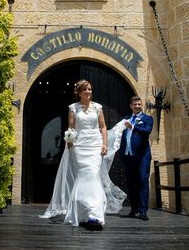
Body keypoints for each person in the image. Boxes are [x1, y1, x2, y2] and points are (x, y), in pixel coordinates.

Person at [41, 80, 127, 228]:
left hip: (95, 145)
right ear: (79, 92)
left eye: (90, 89)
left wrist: (104, 144)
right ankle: (82, 213)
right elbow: (71, 128)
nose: (88, 92)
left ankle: (95, 215)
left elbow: (103, 127)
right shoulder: (73, 108)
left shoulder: (97, 107)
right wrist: (69, 142)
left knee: (93, 176)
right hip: (79, 147)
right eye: (85, 89)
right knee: (82, 178)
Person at [120, 95, 154, 220]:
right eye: (135, 104)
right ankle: (134, 209)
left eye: (139, 104)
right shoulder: (126, 119)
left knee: (142, 182)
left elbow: (147, 131)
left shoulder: (147, 118)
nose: (137, 106)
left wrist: (133, 127)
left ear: (141, 105)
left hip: (142, 156)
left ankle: (143, 210)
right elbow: (119, 135)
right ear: (131, 106)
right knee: (131, 184)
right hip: (128, 156)